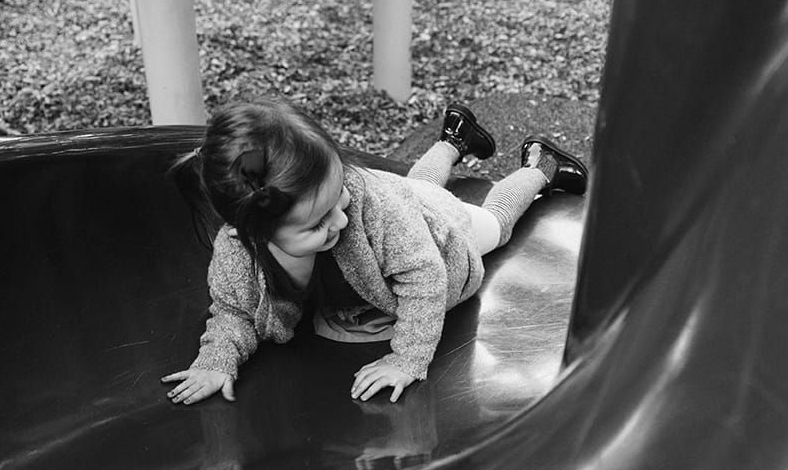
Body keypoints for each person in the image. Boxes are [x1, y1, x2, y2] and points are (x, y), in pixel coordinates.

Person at [161, 97, 588, 404]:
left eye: (339, 201)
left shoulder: (367, 209)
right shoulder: (241, 254)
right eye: (317, 224)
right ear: (254, 232)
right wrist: (216, 360)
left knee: (492, 222)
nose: (340, 222)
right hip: (402, 199)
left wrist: (406, 359)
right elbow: (234, 311)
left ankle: (540, 168)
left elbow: (425, 276)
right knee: (416, 185)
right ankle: (455, 139)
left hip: (433, 230)